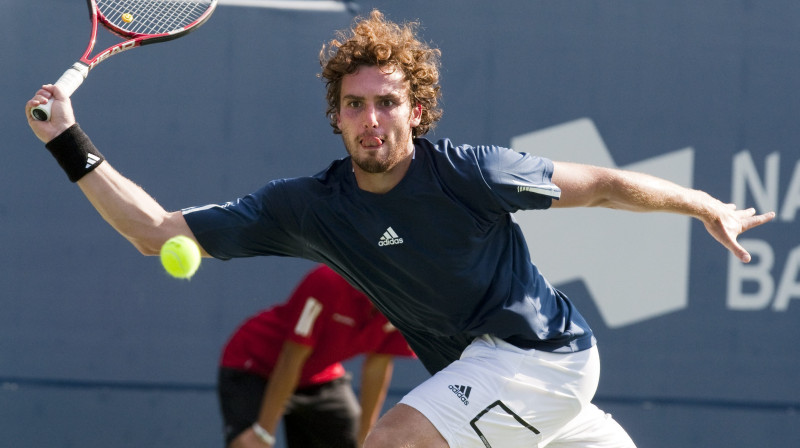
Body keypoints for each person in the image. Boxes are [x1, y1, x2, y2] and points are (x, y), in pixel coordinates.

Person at [26, 9, 774, 448]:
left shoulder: (469, 173)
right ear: (335, 117)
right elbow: (154, 231)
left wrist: (704, 204)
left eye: (387, 102)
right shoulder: (311, 207)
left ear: (417, 109)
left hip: (540, 360)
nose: (372, 118)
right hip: (495, 381)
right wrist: (68, 139)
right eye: (356, 104)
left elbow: (606, 185)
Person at [218, 264, 415, 448]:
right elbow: (291, 358)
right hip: (255, 364)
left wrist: (365, 438)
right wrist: (264, 433)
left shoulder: (404, 305)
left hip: (318, 376)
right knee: (248, 444)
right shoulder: (328, 280)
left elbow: (376, 367)